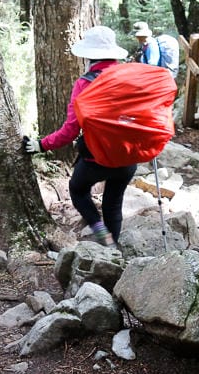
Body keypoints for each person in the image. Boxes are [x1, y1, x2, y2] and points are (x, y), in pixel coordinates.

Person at [23, 25, 133, 247]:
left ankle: (101, 232)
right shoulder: (131, 79)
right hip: (128, 156)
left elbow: (70, 130)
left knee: (77, 189)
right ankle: (113, 250)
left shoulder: (85, 84)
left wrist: (40, 145)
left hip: (97, 158)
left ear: (89, 55)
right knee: (114, 203)